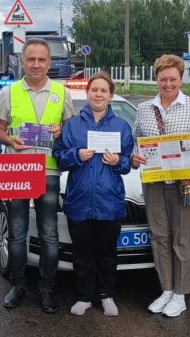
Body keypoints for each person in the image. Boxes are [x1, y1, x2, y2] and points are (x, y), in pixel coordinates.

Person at [131, 54, 190, 318]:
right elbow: (136, 142)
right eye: (163, 79)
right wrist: (135, 157)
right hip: (155, 182)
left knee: (182, 239)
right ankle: (166, 289)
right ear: (156, 80)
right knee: (160, 238)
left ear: (180, 79)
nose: (168, 84)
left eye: (173, 79)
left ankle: (180, 294)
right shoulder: (144, 109)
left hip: (186, 183)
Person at [0, 38, 75, 313]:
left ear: (49, 63)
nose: (37, 64)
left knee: (49, 233)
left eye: (42, 60)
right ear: (23, 62)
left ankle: (47, 289)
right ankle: (18, 286)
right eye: (31, 59)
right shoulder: (10, 93)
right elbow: (0, 131)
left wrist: (60, 131)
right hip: (18, 170)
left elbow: (71, 130)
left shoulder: (62, 92)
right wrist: (10, 142)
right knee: (17, 233)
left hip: (50, 170)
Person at [53, 72, 134, 317]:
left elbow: (129, 163)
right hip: (79, 200)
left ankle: (107, 295)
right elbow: (59, 157)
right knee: (83, 254)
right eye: (94, 90)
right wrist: (77, 155)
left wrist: (118, 160)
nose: (98, 94)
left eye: (103, 91)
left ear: (110, 96)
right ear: (88, 94)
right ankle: (84, 296)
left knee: (108, 255)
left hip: (109, 202)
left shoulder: (121, 126)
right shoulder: (73, 125)